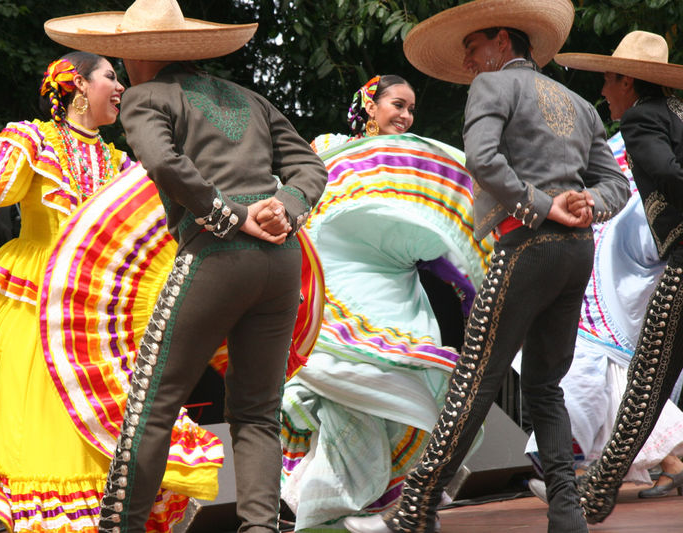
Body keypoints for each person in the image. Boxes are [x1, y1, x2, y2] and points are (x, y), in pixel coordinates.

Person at [342, 1, 632, 532]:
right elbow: (615, 184)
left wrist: (546, 206)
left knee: (475, 379)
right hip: (575, 252)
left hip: (525, 244)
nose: (470, 60)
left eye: (473, 48)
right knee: (545, 386)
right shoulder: (577, 102)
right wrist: (587, 202)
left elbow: (483, 159)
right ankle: (567, 515)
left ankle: (416, 511)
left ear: (503, 40)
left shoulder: (493, 87)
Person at [44, 1, 329, 532]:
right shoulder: (251, 98)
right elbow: (310, 167)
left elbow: (163, 162)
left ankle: (120, 528)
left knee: (153, 401)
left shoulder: (146, 96)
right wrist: (284, 209)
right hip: (282, 260)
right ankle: (260, 528)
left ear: (137, 57)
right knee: (257, 410)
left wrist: (232, 216)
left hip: (216, 254)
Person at [0, 51, 222, 533]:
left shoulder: (120, 163)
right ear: (75, 84)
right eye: (111, 76)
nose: (120, 88)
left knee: (93, 427)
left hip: (93, 313)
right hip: (30, 297)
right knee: (27, 428)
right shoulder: (31, 139)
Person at [279, 74, 493, 531]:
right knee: (347, 398)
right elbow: (301, 210)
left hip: (399, 295)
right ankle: (338, 508)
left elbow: (437, 236)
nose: (406, 116)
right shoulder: (329, 148)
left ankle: (377, 507)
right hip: (338, 291)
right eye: (397, 104)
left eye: (411, 109)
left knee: (407, 396)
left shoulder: (413, 162)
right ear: (369, 106)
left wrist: (473, 287)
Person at [551, 29, 683, 523]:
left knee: (645, 387)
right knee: (646, 384)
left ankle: (593, 495)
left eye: (609, 80)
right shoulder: (677, 112)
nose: (604, 91)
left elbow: (665, 172)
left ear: (628, 80)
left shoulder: (642, 118)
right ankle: (594, 490)